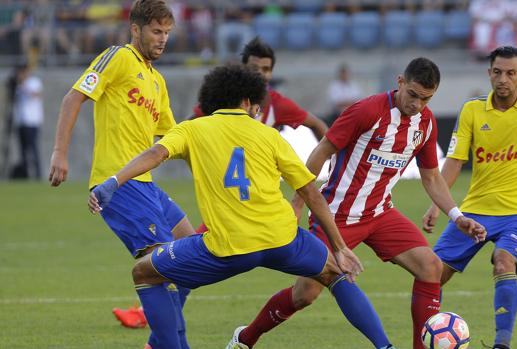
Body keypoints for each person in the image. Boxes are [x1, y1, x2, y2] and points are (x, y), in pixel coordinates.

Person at [88, 64, 398, 349]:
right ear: (248, 101)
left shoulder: (193, 129)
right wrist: (340, 246)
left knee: (145, 273)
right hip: (283, 240)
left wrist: (113, 182)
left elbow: (155, 154)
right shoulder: (267, 134)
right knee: (335, 275)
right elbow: (311, 193)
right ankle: (386, 346)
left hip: (229, 248)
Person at [230, 57, 487, 349]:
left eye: (426, 99)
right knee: (305, 294)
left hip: (380, 214)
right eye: (413, 94)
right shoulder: (367, 110)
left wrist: (456, 215)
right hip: (337, 214)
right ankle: (245, 338)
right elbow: (321, 151)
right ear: (400, 82)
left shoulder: (425, 124)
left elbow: (431, 176)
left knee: (431, 267)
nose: (417, 104)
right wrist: (299, 203)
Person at [47, 0, 195, 344]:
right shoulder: (118, 56)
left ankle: (160, 342)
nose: (162, 39)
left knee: (193, 254)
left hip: (147, 186)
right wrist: (59, 152)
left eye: (167, 33)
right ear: (136, 29)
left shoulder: (157, 81)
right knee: (162, 268)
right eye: (156, 31)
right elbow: (73, 98)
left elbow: (174, 139)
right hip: (119, 184)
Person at [422, 46, 517, 349]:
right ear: (489, 73)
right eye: (497, 72)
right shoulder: (472, 111)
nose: (503, 79)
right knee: (432, 275)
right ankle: (421, 339)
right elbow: (455, 161)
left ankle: (502, 344)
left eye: (510, 73)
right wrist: (438, 206)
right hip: (475, 211)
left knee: (504, 262)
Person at [192, 36, 328, 233]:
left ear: (272, 73)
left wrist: (332, 153)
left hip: (263, 199)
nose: (261, 75)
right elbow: (190, 122)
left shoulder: (277, 104)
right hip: (228, 198)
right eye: (255, 68)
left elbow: (316, 124)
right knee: (197, 252)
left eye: (266, 70)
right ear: (243, 68)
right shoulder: (224, 99)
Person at [12, 63, 44, 180]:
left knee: (34, 149)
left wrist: (23, 84)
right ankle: (25, 174)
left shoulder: (34, 82)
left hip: (32, 121)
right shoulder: (17, 85)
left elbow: (36, 94)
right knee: (23, 150)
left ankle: (38, 174)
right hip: (21, 121)